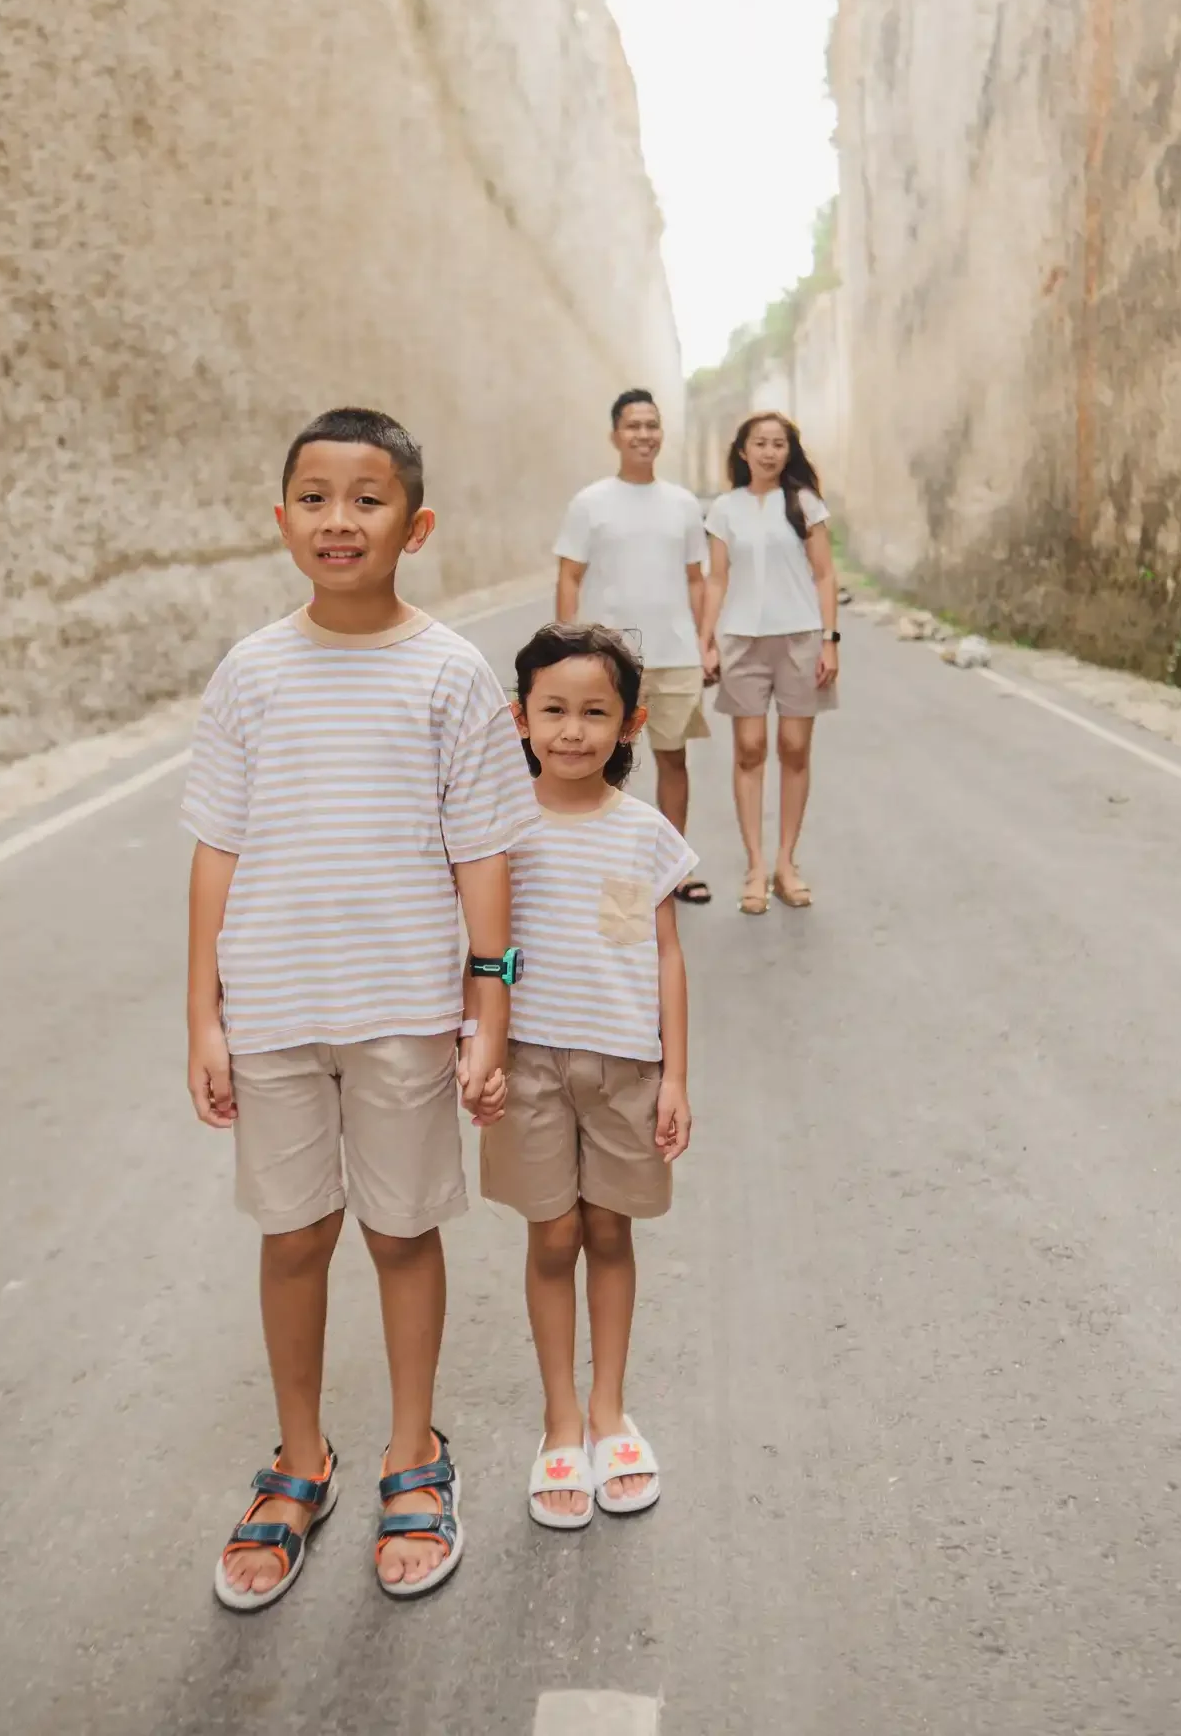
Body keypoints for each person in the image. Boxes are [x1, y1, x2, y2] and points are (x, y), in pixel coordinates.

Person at [182, 406, 540, 1611]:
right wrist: (204, 1015)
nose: (342, 519)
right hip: (276, 1011)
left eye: (369, 497)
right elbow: (217, 851)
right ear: (281, 519)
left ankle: (411, 1450)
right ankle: (299, 1461)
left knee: (399, 1231)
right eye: (318, 497)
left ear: (417, 523)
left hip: (401, 1012)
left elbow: (485, 849)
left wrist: (487, 1006)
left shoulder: (449, 672)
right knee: (293, 1237)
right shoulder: (250, 671)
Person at [474, 621, 694, 1528]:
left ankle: (609, 1409)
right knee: (552, 1237)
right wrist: (477, 1043)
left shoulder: (644, 834)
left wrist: (675, 1076)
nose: (572, 731)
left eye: (594, 712)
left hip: (623, 1069)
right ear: (518, 717)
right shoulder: (498, 830)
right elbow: (480, 951)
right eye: (553, 710)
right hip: (525, 1065)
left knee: (610, 1231)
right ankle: (560, 1416)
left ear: (631, 723)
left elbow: (665, 957)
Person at [554, 389, 714, 905]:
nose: (643, 434)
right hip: (609, 660)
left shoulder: (684, 504)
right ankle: (606, 871)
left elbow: (696, 579)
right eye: (633, 426)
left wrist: (704, 641)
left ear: (660, 433)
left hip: (674, 656)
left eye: (651, 425)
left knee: (673, 760)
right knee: (604, 766)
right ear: (615, 436)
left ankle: (673, 872)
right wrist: (566, 651)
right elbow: (569, 577)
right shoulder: (590, 502)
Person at [699, 412, 841, 915]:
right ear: (742, 451)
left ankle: (786, 864)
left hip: (801, 636)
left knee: (795, 748)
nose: (769, 451)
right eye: (759, 443)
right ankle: (755, 866)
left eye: (779, 444)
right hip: (740, 638)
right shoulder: (725, 509)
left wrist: (830, 640)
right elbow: (716, 580)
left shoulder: (804, 504)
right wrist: (706, 641)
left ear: (789, 451)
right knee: (750, 748)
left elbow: (824, 575)